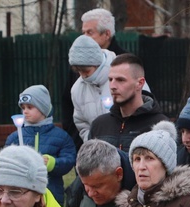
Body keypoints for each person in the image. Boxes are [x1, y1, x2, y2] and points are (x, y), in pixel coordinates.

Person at [62, 8, 127, 150]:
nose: (85, 37)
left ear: (107, 34)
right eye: (83, 32)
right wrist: (82, 140)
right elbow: (69, 103)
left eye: (90, 32)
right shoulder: (79, 65)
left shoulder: (125, 62)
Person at [5, 85, 76, 206]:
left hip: (51, 194)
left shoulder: (61, 136)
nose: (25, 111)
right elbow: (5, 162)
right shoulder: (15, 137)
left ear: (43, 109)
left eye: (30, 107)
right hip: (21, 195)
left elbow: (69, 160)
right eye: (23, 108)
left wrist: (52, 163)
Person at [87, 53, 168, 152]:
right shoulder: (99, 125)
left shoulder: (160, 126)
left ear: (140, 83)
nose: (112, 86)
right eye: (110, 79)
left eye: (120, 80)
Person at [68, 35, 116, 145]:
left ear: (97, 64)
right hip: (98, 151)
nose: (83, 75)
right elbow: (81, 123)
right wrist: (91, 142)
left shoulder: (121, 76)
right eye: (79, 71)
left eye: (86, 71)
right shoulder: (77, 89)